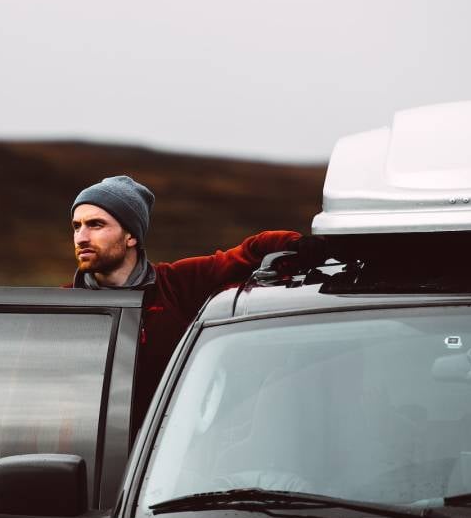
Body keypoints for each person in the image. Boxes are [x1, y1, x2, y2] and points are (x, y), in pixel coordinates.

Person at [69, 175, 324, 428]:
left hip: (165, 444)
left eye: (95, 225)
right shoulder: (62, 307)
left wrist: (298, 245)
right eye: (77, 226)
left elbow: (250, 253)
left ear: (131, 235)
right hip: (88, 447)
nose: (81, 237)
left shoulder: (176, 284)